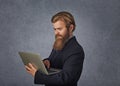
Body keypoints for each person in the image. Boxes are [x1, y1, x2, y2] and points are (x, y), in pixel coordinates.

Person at [25, 11, 85, 86]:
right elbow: (54, 61)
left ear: (70, 28)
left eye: (59, 29)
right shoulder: (60, 42)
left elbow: (65, 79)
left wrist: (37, 75)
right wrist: (46, 61)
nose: (56, 33)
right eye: (55, 29)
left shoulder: (76, 50)